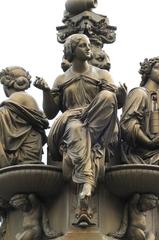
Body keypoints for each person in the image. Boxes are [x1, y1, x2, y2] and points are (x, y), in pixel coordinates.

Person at [34, 33, 126, 200]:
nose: (88, 48)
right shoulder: (61, 79)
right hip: (71, 120)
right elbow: (50, 113)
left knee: (107, 96)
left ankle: (88, 166)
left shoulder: (102, 75)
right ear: (72, 50)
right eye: (82, 45)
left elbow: (115, 103)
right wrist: (46, 91)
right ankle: (87, 180)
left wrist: (122, 96)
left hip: (97, 120)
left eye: (88, 44)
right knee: (77, 129)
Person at [120, 57, 159, 173]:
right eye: (158, 67)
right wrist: (149, 142)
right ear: (148, 71)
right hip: (142, 152)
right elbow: (128, 124)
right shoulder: (139, 93)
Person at [0, 66, 48, 168]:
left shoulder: (17, 98)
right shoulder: (26, 98)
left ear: (6, 84)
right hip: (32, 153)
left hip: (22, 155)